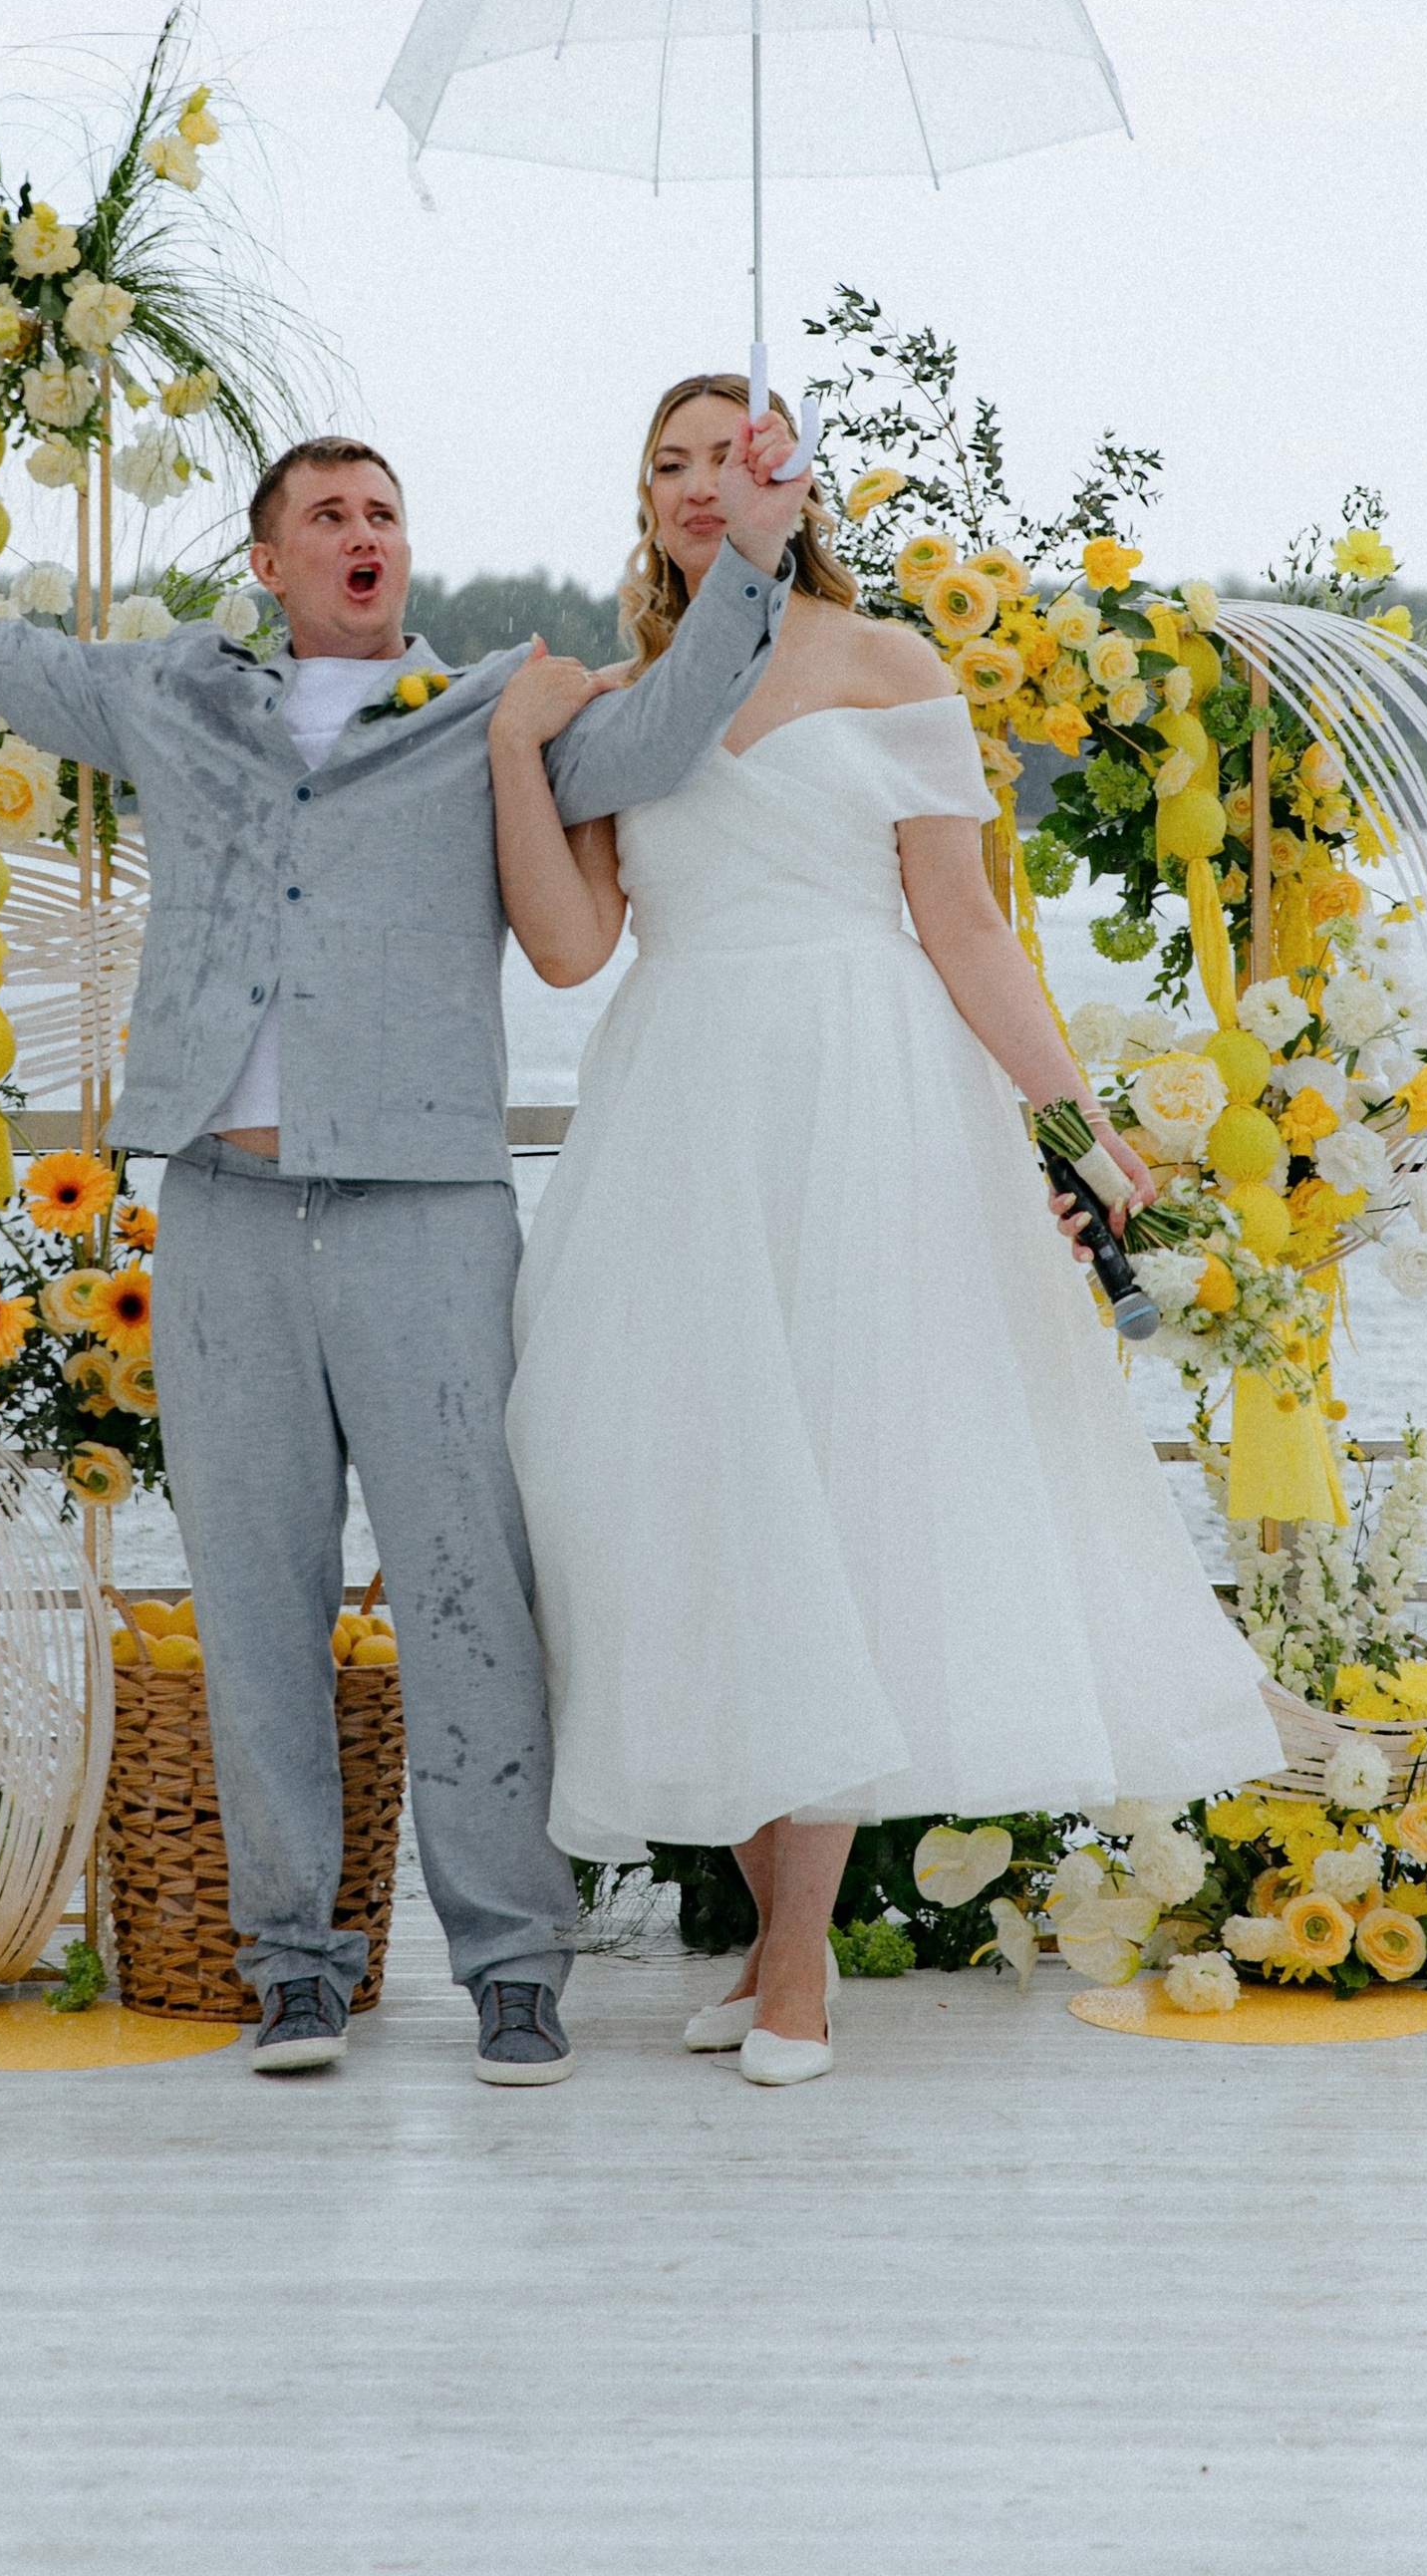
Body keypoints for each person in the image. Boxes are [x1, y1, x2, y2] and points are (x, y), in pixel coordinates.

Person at [0, 418, 807, 2086]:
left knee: (472, 1595)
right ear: (270, 560)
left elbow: (671, 731)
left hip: (429, 1213)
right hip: (229, 1218)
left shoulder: (492, 717)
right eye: (328, 512)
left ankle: (514, 1965)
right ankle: (295, 1965)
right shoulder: (173, 696)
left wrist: (751, 549)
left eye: (385, 508)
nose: (362, 529)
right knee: (255, 1603)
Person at [486, 374, 1281, 2087]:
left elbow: (967, 930)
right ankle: (773, 1932)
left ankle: (794, 1967)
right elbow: (574, 947)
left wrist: (1073, 1123)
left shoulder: (893, 668)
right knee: (704, 1500)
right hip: (683, 1108)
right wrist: (514, 753)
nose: (703, 484)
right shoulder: (625, 705)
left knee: (840, 1489)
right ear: (644, 501)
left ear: (792, 477)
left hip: (867, 1102)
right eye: (671, 463)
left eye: (734, 455)